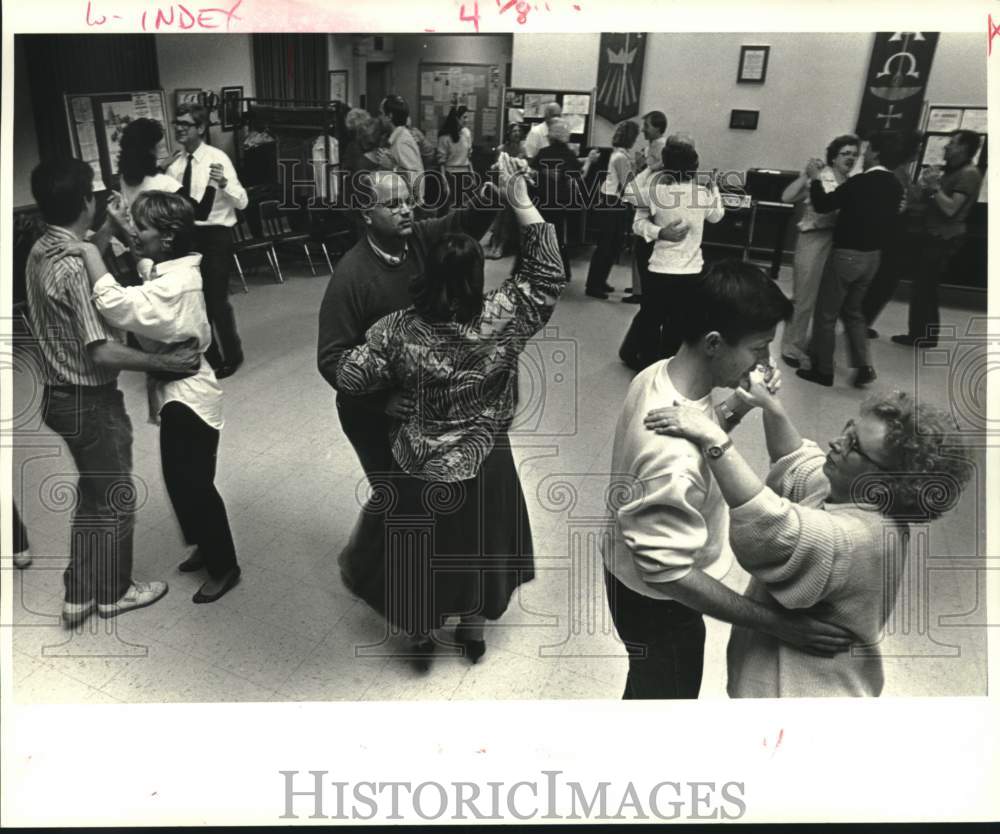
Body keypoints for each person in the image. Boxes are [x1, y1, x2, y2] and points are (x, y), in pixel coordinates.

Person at [333, 154, 563, 668]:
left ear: (424, 272)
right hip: (486, 460)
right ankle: (474, 633)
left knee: (420, 553)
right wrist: (520, 200)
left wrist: (390, 380)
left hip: (418, 464)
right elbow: (548, 273)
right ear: (479, 276)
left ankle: (420, 639)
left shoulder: (396, 331)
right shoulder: (504, 317)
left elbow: (348, 375)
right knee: (477, 547)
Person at [602, 259, 857, 700]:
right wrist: (776, 623)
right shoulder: (670, 455)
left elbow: (700, 428)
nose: (765, 361)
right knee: (660, 705)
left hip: (627, 573)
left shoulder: (661, 376)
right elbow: (669, 573)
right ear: (715, 343)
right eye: (759, 347)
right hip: (660, 606)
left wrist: (740, 404)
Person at [644, 386, 971, 697]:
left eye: (854, 445)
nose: (836, 442)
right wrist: (770, 404)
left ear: (887, 484)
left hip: (800, 697)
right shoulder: (851, 493)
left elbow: (770, 527)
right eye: (848, 429)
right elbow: (800, 463)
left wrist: (714, 440)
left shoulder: (863, 538)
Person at [26, 159, 199, 626]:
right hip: (89, 401)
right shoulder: (74, 269)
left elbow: (85, 252)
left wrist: (105, 232)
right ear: (86, 201)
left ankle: (78, 594)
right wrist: (165, 363)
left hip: (58, 397)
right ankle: (116, 592)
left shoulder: (44, 246)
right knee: (116, 499)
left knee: (92, 498)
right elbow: (101, 352)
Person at [46, 191, 242, 604]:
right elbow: (147, 272)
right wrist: (122, 235)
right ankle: (205, 547)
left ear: (168, 237)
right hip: (177, 391)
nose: (137, 232)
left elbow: (116, 302)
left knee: (196, 484)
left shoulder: (177, 286)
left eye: (144, 227)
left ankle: (225, 565)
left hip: (191, 396)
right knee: (179, 479)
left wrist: (86, 249)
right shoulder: (173, 268)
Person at [317, 170, 500, 487]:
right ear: (367, 215)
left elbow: (462, 224)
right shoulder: (351, 277)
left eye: (408, 201)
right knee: (393, 492)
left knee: (421, 489)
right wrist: (380, 402)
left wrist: (495, 190)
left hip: (415, 401)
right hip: (372, 414)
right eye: (392, 204)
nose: (406, 210)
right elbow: (332, 358)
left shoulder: (415, 237)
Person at [798, 131, 906, 388]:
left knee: (826, 313)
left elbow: (824, 204)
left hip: (847, 255)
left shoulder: (861, 182)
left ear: (875, 153)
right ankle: (864, 366)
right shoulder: (895, 185)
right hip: (872, 258)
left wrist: (815, 179)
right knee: (854, 312)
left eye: (865, 151)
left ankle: (823, 370)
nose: (861, 156)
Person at [166, 103, 248, 379]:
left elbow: (243, 201)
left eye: (186, 124)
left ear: (200, 128)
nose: (179, 128)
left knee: (215, 300)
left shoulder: (217, 158)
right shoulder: (176, 165)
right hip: (187, 236)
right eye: (177, 122)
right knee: (194, 302)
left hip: (216, 235)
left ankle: (232, 355)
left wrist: (224, 183)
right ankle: (209, 356)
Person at [631, 140, 724, 365]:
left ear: (667, 167)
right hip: (692, 272)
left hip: (660, 268)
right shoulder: (702, 194)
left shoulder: (655, 193)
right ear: (695, 166)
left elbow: (635, 219)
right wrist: (715, 188)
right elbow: (717, 215)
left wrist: (660, 232)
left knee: (651, 321)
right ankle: (669, 369)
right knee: (679, 323)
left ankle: (646, 367)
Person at [891, 129, 983, 349]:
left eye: (952, 143)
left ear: (964, 148)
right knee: (924, 287)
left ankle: (922, 335)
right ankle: (921, 334)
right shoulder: (954, 171)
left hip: (944, 238)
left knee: (925, 287)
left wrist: (933, 188)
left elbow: (951, 209)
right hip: (934, 235)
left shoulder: (969, 174)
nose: (946, 147)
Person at [778, 135, 860, 370]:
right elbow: (786, 197)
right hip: (813, 239)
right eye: (846, 153)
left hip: (838, 242)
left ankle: (811, 344)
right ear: (834, 156)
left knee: (826, 299)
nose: (851, 158)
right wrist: (806, 174)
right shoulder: (821, 177)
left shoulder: (852, 182)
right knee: (804, 296)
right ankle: (791, 346)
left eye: (854, 154)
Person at [530, 118, 600, 280]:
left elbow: (532, 172)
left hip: (541, 202)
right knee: (558, 237)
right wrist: (589, 160)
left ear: (551, 136)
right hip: (559, 204)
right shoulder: (568, 155)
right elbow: (580, 175)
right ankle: (562, 272)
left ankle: (534, 270)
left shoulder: (543, 153)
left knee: (537, 236)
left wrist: (544, 175)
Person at [584, 119, 640, 299]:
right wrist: (639, 166)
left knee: (613, 244)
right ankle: (593, 285)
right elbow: (628, 183)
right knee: (606, 245)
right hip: (611, 202)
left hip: (611, 201)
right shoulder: (621, 157)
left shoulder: (619, 154)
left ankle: (600, 280)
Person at [484, 123, 529, 259]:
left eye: (518, 131)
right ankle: (495, 244)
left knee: (507, 215)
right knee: (499, 214)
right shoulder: (501, 148)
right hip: (502, 185)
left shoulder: (522, 149)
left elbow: (521, 168)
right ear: (508, 133)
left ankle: (501, 246)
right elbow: (496, 169)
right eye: (513, 131)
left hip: (515, 186)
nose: (516, 133)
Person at [381, 94, 425, 206]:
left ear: (389, 116)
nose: (380, 118)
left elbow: (415, 179)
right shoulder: (397, 137)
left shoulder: (402, 141)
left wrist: (392, 167)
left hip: (409, 206)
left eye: (381, 113)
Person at [437, 105, 474, 209]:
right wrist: (444, 181)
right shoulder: (445, 137)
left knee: (465, 207)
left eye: (468, 117)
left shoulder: (466, 133)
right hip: (451, 176)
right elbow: (441, 162)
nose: (467, 120)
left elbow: (468, 157)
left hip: (465, 174)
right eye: (464, 117)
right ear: (456, 119)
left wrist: (472, 174)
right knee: (451, 207)